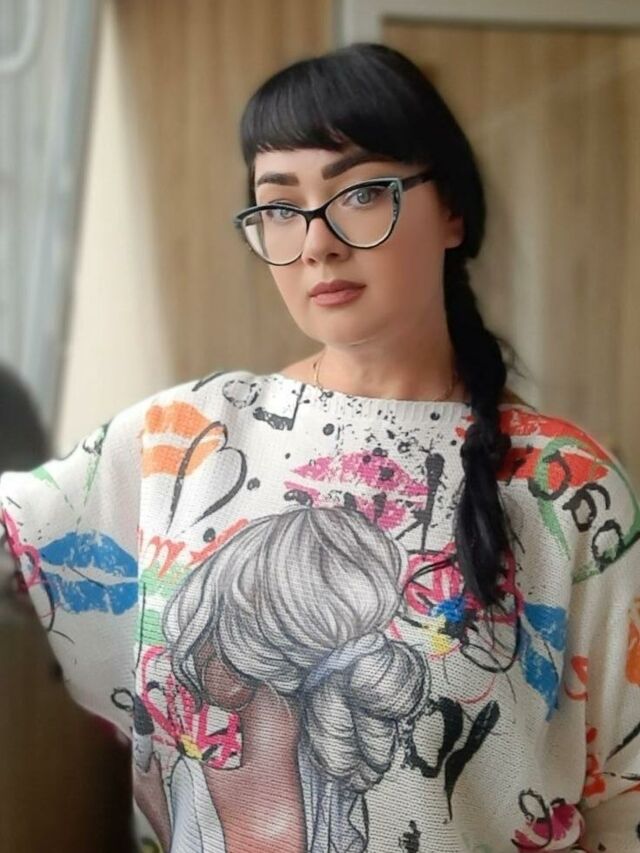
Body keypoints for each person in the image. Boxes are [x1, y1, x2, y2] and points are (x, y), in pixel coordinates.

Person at [1, 41, 638, 853]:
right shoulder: (183, 440)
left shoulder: (563, 487)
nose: (316, 243)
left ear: (453, 211)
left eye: (361, 193)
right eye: (279, 206)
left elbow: (625, 799)